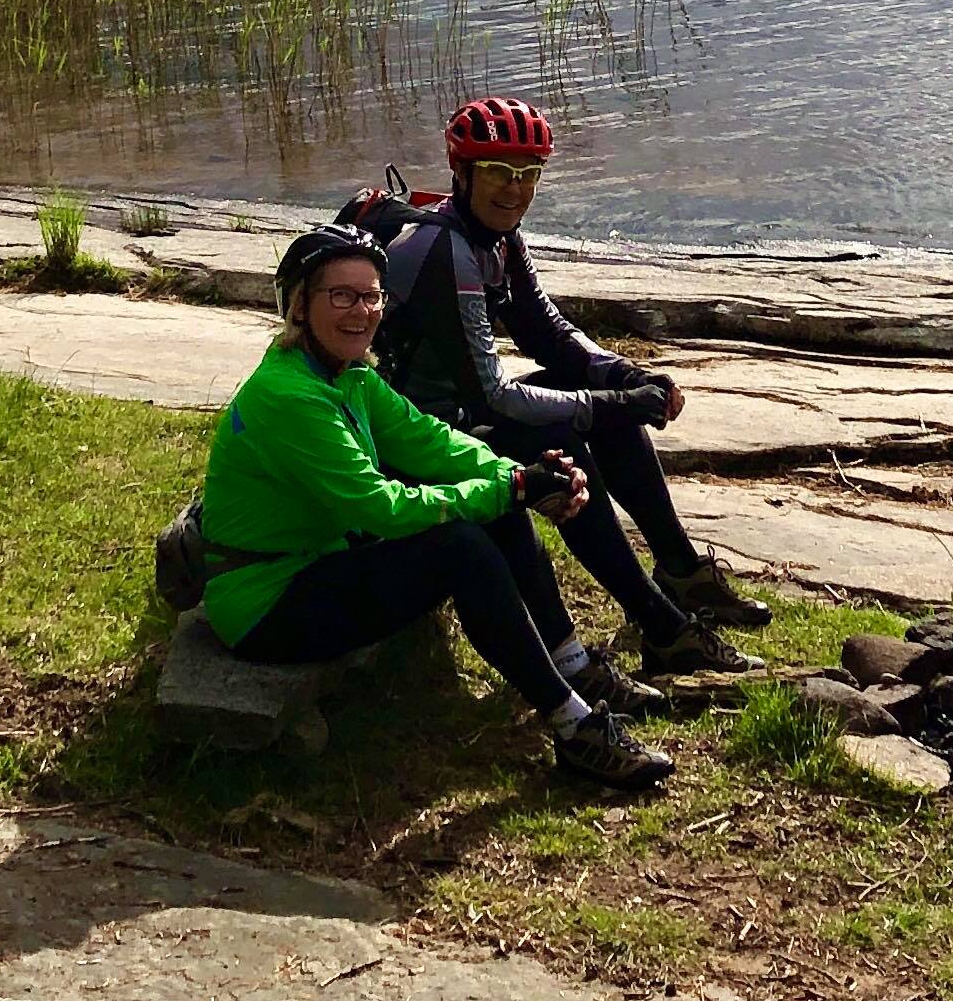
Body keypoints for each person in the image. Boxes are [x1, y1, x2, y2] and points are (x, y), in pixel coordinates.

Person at [201, 222, 675, 793]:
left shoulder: (347, 375)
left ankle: (571, 664)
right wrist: (517, 489)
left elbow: (429, 440)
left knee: (489, 505)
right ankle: (576, 728)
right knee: (461, 545)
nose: (362, 310)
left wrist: (514, 477)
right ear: (300, 305)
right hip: (264, 601)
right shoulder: (290, 396)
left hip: (314, 561)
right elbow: (381, 508)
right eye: (342, 295)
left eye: (373, 295)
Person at [375, 96, 770, 682]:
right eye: (499, 174)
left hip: (455, 413)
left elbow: (546, 330)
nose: (515, 189)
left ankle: (681, 574)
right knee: (565, 440)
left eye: (529, 174)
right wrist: (609, 403)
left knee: (605, 412)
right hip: (410, 439)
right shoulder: (446, 251)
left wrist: (623, 375)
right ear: (461, 173)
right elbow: (493, 396)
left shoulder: (497, 235)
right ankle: (664, 630)